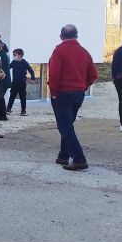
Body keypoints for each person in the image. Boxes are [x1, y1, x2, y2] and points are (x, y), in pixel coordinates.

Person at [48, 24, 98, 171]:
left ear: (61, 36)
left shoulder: (59, 51)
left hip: (62, 93)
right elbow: (93, 75)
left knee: (65, 127)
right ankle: (63, 155)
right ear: (77, 36)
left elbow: (54, 73)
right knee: (68, 124)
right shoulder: (84, 52)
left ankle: (79, 159)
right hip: (78, 93)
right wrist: (84, 86)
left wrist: (53, 91)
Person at [6, 49, 36, 115]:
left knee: (22, 97)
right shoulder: (14, 62)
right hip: (14, 82)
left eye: (15, 55)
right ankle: (8, 109)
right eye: (13, 55)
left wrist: (33, 79)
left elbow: (31, 71)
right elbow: (8, 68)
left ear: (20, 55)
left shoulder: (24, 63)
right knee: (12, 96)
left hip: (22, 83)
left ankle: (23, 111)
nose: (14, 56)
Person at [0, 40, 12, 121]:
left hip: (2, 80)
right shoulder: (2, 54)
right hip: (3, 79)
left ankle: (1, 115)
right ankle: (0, 115)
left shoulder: (1, 55)